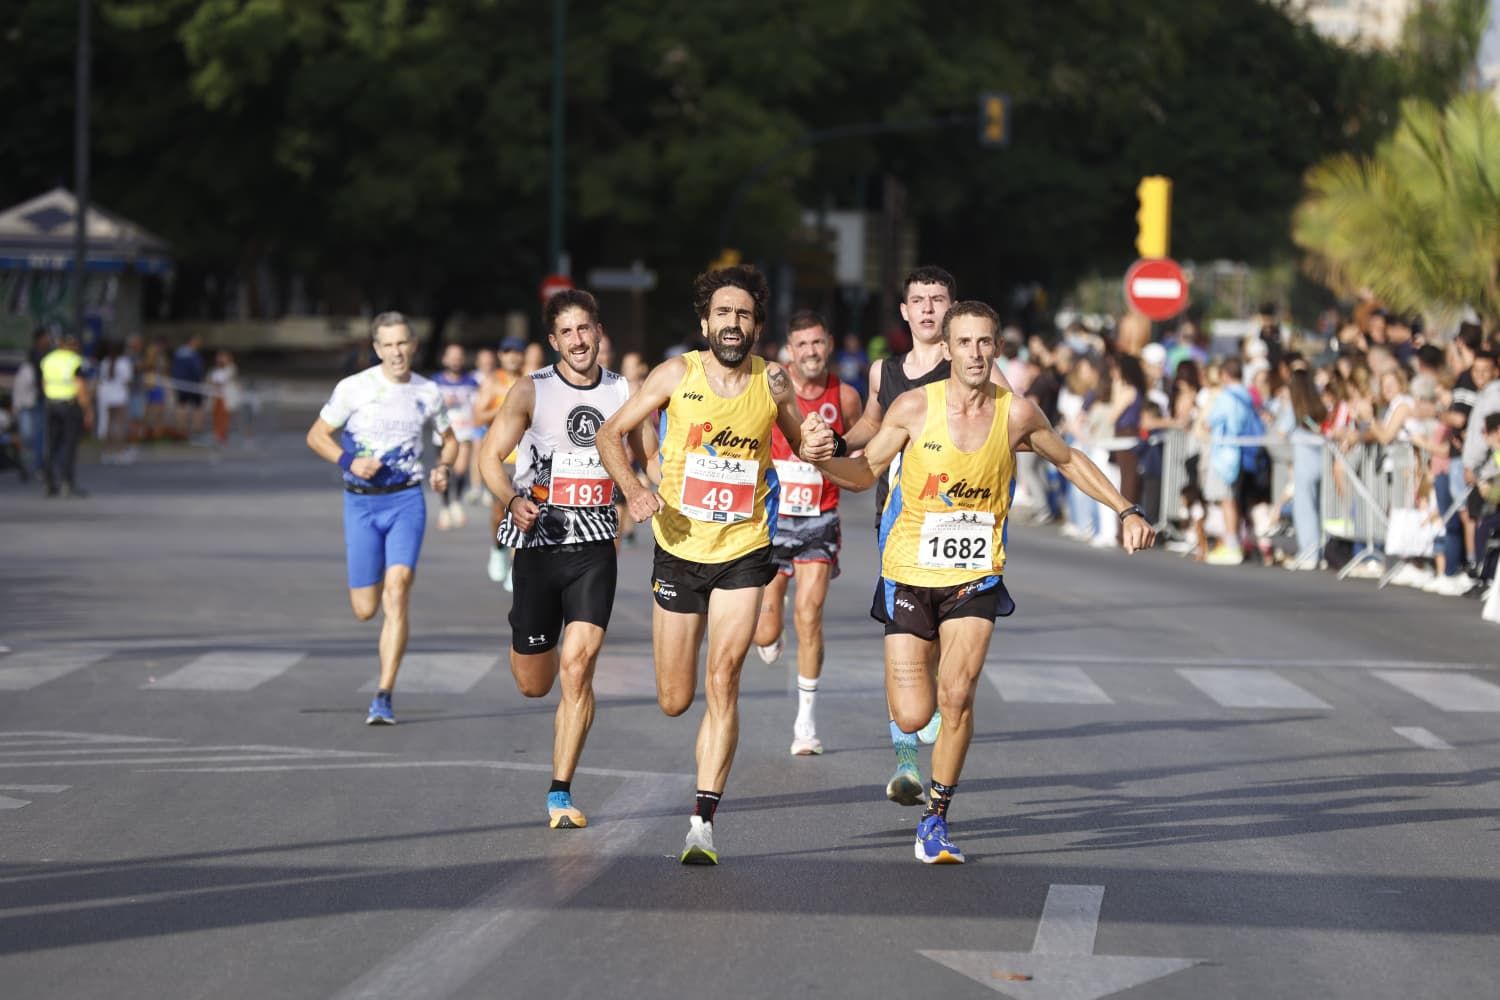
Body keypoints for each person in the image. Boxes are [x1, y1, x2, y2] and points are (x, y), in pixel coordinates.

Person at [802, 301, 1155, 863]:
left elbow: (1068, 460)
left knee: (959, 695)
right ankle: (912, 740)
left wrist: (1125, 508)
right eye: (963, 343)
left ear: (996, 349)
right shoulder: (914, 407)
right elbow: (866, 470)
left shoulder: (1015, 414)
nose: (974, 353)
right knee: (916, 715)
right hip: (909, 574)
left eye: (984, 343)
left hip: (975, 574)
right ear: (946, 349)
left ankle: (935, 819)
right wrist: (821, 462)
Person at [596, 264, 833, 865]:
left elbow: (800, 438)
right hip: (678, 549)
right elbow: (609, 434)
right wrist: (637, 486)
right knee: (675, 698)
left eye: (744, 315)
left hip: (745, 550)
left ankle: (702, 820)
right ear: (706, 323)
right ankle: (697, 784)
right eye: (723, 314)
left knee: (723, 678)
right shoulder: (676, 374)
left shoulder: (772, 381)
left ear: (757, 326)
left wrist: (817, 445)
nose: (733, 324)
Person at [840, 266, 1014, 803]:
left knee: (945, 650)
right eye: (919, 300)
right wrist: (835, 444)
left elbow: (1014, 424)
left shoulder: (975, 365)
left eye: (939, 300)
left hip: (962, 524)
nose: (928, 310)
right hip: (896, 518)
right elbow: (872, 425)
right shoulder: (884, 371)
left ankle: (941, 713)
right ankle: (907, 760)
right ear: (905, 311)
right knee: (911, 643)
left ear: (953, 308)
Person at [477, 289, 630, 830]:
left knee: (579, 665)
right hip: (540, 547)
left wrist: (657, 491)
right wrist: (513, 499)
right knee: (533, 683)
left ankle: (560, 792)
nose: (579, 340)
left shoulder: (622, 391)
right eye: (567, 332)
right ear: (554, 341)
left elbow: (654, 456)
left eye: (585, 328)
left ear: (598, 330)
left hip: (595, 547)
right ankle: (522, 627)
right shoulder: (531, 390)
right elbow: (489, 457)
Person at [305, 312, 457, 725]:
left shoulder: (428, 392)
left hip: (406, 500)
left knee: (398, 588)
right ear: (377, 349)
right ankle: (381, 677)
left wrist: (443, 467)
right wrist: (350, 461)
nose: (397, 352)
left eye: (403, 343)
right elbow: (317, 435)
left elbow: (450, 440)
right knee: (365, 609)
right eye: (388, 345)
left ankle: (384, 693)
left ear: (414, 345)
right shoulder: (354, 388)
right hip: (361, 504)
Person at [750, 310, 862, 755]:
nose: (811, 352)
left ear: (829, 344)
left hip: (820, 517)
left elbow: (861, 446)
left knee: (810, 613)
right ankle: (770, 632)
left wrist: (846, 470)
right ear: (789, 350)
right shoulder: (773, 388)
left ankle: (806, 725)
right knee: (765, 630)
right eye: (803, 345)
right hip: (774, 516)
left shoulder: (846, 397)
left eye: (818, 343)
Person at [480, 338, 527, 585]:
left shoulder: (530, 380)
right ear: (501, 355)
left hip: (524, 459)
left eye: (517, 353)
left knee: (522, 512)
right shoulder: (492, 382)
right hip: (500, 458)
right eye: (507, 352)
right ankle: (498, 549)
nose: (512, 357)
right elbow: (477, 416)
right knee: (500, 512)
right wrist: (506, 408)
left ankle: (515, 566)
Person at [431, 343, 480, 530]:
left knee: (460, 470)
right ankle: (445, 507)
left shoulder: (472, 381)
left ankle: (456, 502)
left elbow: (478, 404)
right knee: (443, 469)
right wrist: (442, 402)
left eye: (459, 357)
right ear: (444, 359)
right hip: (442, 433)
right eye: (452, 356)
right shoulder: (435, 381)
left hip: (465, 432)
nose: (455, 360)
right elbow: (427, 406)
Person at [39, 332, 93, 497]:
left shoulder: (48, 359)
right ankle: (66, 483)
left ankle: (49, 482)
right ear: (73, 345)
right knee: (69, 445)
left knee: (51, 445)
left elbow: (44, 382)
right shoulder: (74, 361)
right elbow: (80, 386)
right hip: (69, 406)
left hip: (51, 405)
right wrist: (88, 410)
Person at [171, 334, 207, 436]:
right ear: (192, 341)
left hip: (181, 384)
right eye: (198, 342)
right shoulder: (193, 354)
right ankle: (196, 429)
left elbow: (173, 367)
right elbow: (197, 370)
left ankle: (181, 429)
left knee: (182, 405)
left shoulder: (178, 352)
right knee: (198, 407)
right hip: (192, 384)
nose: (199, 344)